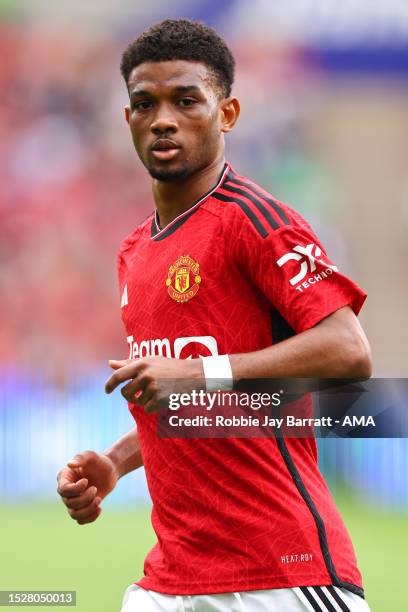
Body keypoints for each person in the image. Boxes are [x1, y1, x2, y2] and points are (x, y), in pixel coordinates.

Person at [57, 19, 373, 612]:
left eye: (186, 100)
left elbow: (349, 351)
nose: (163, 119)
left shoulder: (256, 220)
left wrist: (201, 373)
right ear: (128, 120)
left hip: (278, 572)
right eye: (145, 104)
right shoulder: (136, 250)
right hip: (171, 579)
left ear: (226, 113)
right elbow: (187, 402)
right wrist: (117, 463)